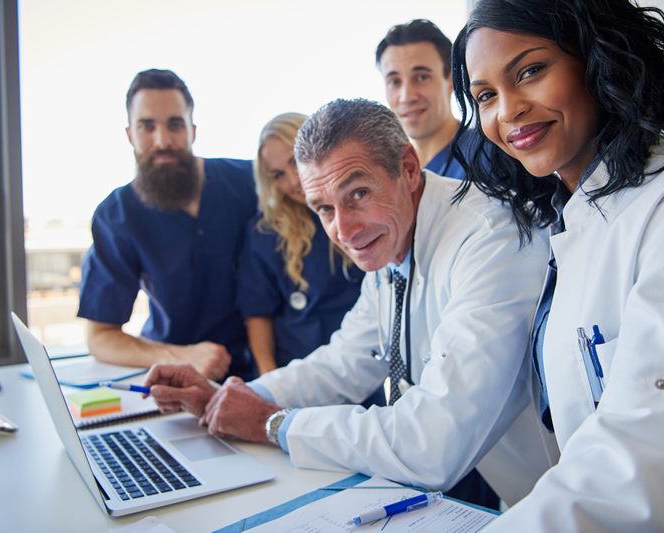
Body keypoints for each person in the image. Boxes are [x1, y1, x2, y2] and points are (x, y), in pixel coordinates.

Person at [143, 98, 551, 506]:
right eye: (323, 208)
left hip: (569, 506)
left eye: (357, 193)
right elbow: (344, 362)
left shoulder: (491, 237)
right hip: (520, 499)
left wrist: (274, 424)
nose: (344, 230)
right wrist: (228, 399)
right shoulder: (392, 244)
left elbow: (433, 443)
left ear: (408, 168)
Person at [451, 0, 664, 530]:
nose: (507, 111)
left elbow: (655, 455)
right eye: (486, 95)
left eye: (530, 71)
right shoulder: (566, 218)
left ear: (597, 61)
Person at [77, 69, 257, 382]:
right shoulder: (117, 215)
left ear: (193, 131)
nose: (162, 141)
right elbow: (101, 337)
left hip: (269, 371)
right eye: (147, 126)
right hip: (178, 374)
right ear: (130, 134)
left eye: (175, 125)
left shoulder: (251, 184)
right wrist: (179, 356)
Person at [236, 112, 367, 377]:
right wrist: (268, 381)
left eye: (295, 162)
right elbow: (258, 314)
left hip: (357, 369)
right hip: (293, 371)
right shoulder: (266, 233)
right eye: (278, 174)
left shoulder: (360, 211)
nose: (294, 181)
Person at [375, 19, 474, 179]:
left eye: (421, 77)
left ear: (452, 81)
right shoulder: (394, 175)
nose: (406, 97)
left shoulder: (487, 157)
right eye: (394, 81)